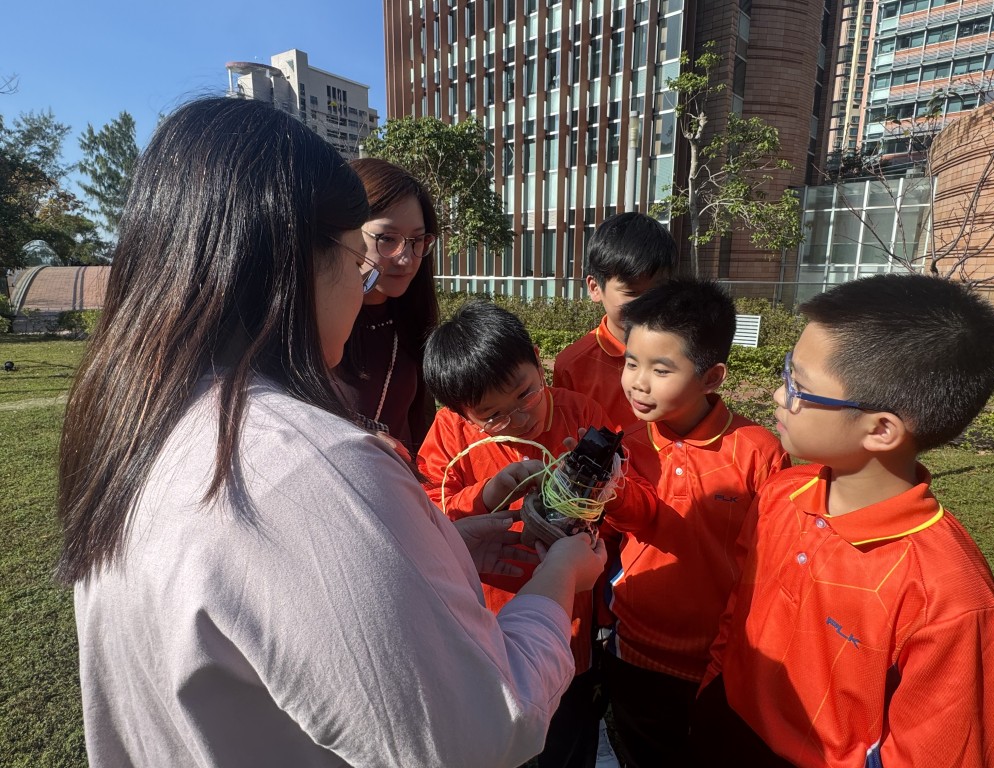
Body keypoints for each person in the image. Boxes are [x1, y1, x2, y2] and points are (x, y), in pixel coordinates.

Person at [56, 97, 608, 768]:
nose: (374, 277)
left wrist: (441, 550)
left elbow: (281, 601)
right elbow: (480, 732)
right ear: (292, 264)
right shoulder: (311, 465)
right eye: (359, 259)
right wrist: (557, 580)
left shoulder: (142, 426)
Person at [692, 273, 994, 768]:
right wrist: (713, 686)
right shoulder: (782, 493)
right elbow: (742, 608)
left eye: (799, 385)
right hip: (726, 726)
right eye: (785, 373)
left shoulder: (951, 598)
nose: (780, 396)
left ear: (881, 430)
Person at [417, 300, 658, 768]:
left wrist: (601, 494)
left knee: (565, 740)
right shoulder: (451, 431)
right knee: (499, 739)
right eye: (492, 416)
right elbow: (425, 511)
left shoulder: (581, 415)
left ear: (537, 356)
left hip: (568, 624)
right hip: (486, 621)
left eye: (525, 394)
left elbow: (631, 510)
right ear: (461, 413)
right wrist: (486, 494)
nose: (519, 420)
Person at [598, 278, 789, 766]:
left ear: (711, 377)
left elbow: (773, 563)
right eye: (631, 362)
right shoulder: (629, 445)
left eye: (661, 369)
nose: (638, 381)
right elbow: (623, 531)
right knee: (644, 752)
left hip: (719, 656)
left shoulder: (757, 452)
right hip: (635, 647)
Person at [335, 157, 439, 454]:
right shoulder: (312, 326)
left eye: (417, 241)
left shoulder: (414, 322)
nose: (406, 258)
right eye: (387, 239)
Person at [553, 212, 676, 430]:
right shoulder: (573, 365)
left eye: (658, 290)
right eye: (631, 292)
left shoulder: (683, 351)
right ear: (595, 288)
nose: (647, 303)